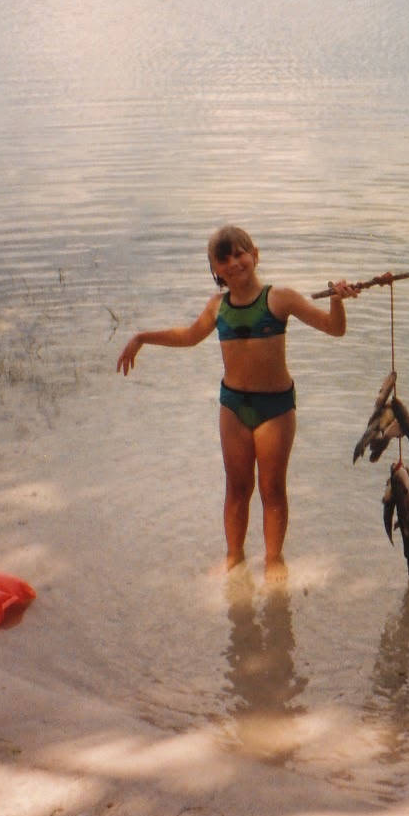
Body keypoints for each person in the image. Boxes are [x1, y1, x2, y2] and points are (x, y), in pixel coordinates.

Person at [116, 225, 359, 580]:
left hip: (275, 408)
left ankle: (273, 559)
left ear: (255, 255)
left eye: (239, 254)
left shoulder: (280, 298)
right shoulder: (218, 307)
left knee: (272, 489)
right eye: (223, 259)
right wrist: (142, 337)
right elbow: (188, 336)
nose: (233, 263)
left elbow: (334, 328)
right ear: (215, 270)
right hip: (233, 407)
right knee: (237, 488)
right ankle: (234, 556)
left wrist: (337, 300)